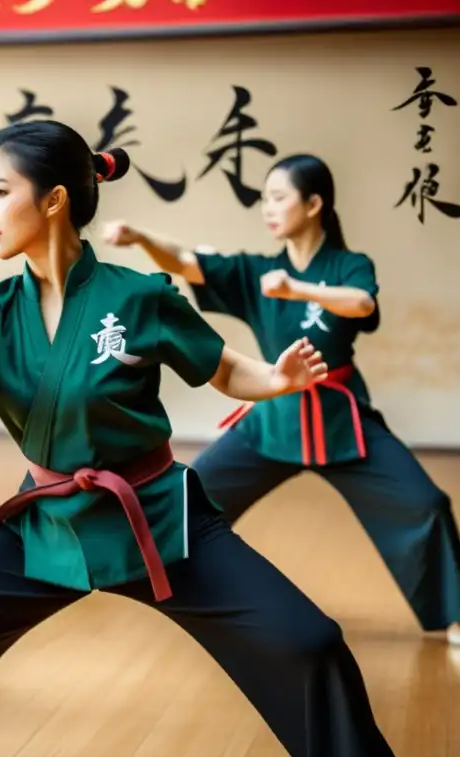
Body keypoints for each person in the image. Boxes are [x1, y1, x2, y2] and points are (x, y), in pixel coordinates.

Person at [0, 122, 399, 757]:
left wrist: (277, 379)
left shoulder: (138, 296)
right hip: (47, 521)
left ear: (53, 201)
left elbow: (221, 367)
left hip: (157, 517)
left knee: (308, 641)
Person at [104, 153, 460, 647]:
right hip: (273, 416)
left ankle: (453, 615)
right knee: (189, 496)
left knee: (426, 504)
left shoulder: (348, 265)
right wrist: (141, 238)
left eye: (278, 198)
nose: (268, 209)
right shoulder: (259, 271)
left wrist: (297, 289)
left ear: (314, 204)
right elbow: (187, 262)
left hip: (340, 417)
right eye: (264, 199)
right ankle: (146, 581)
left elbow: (362, 303)